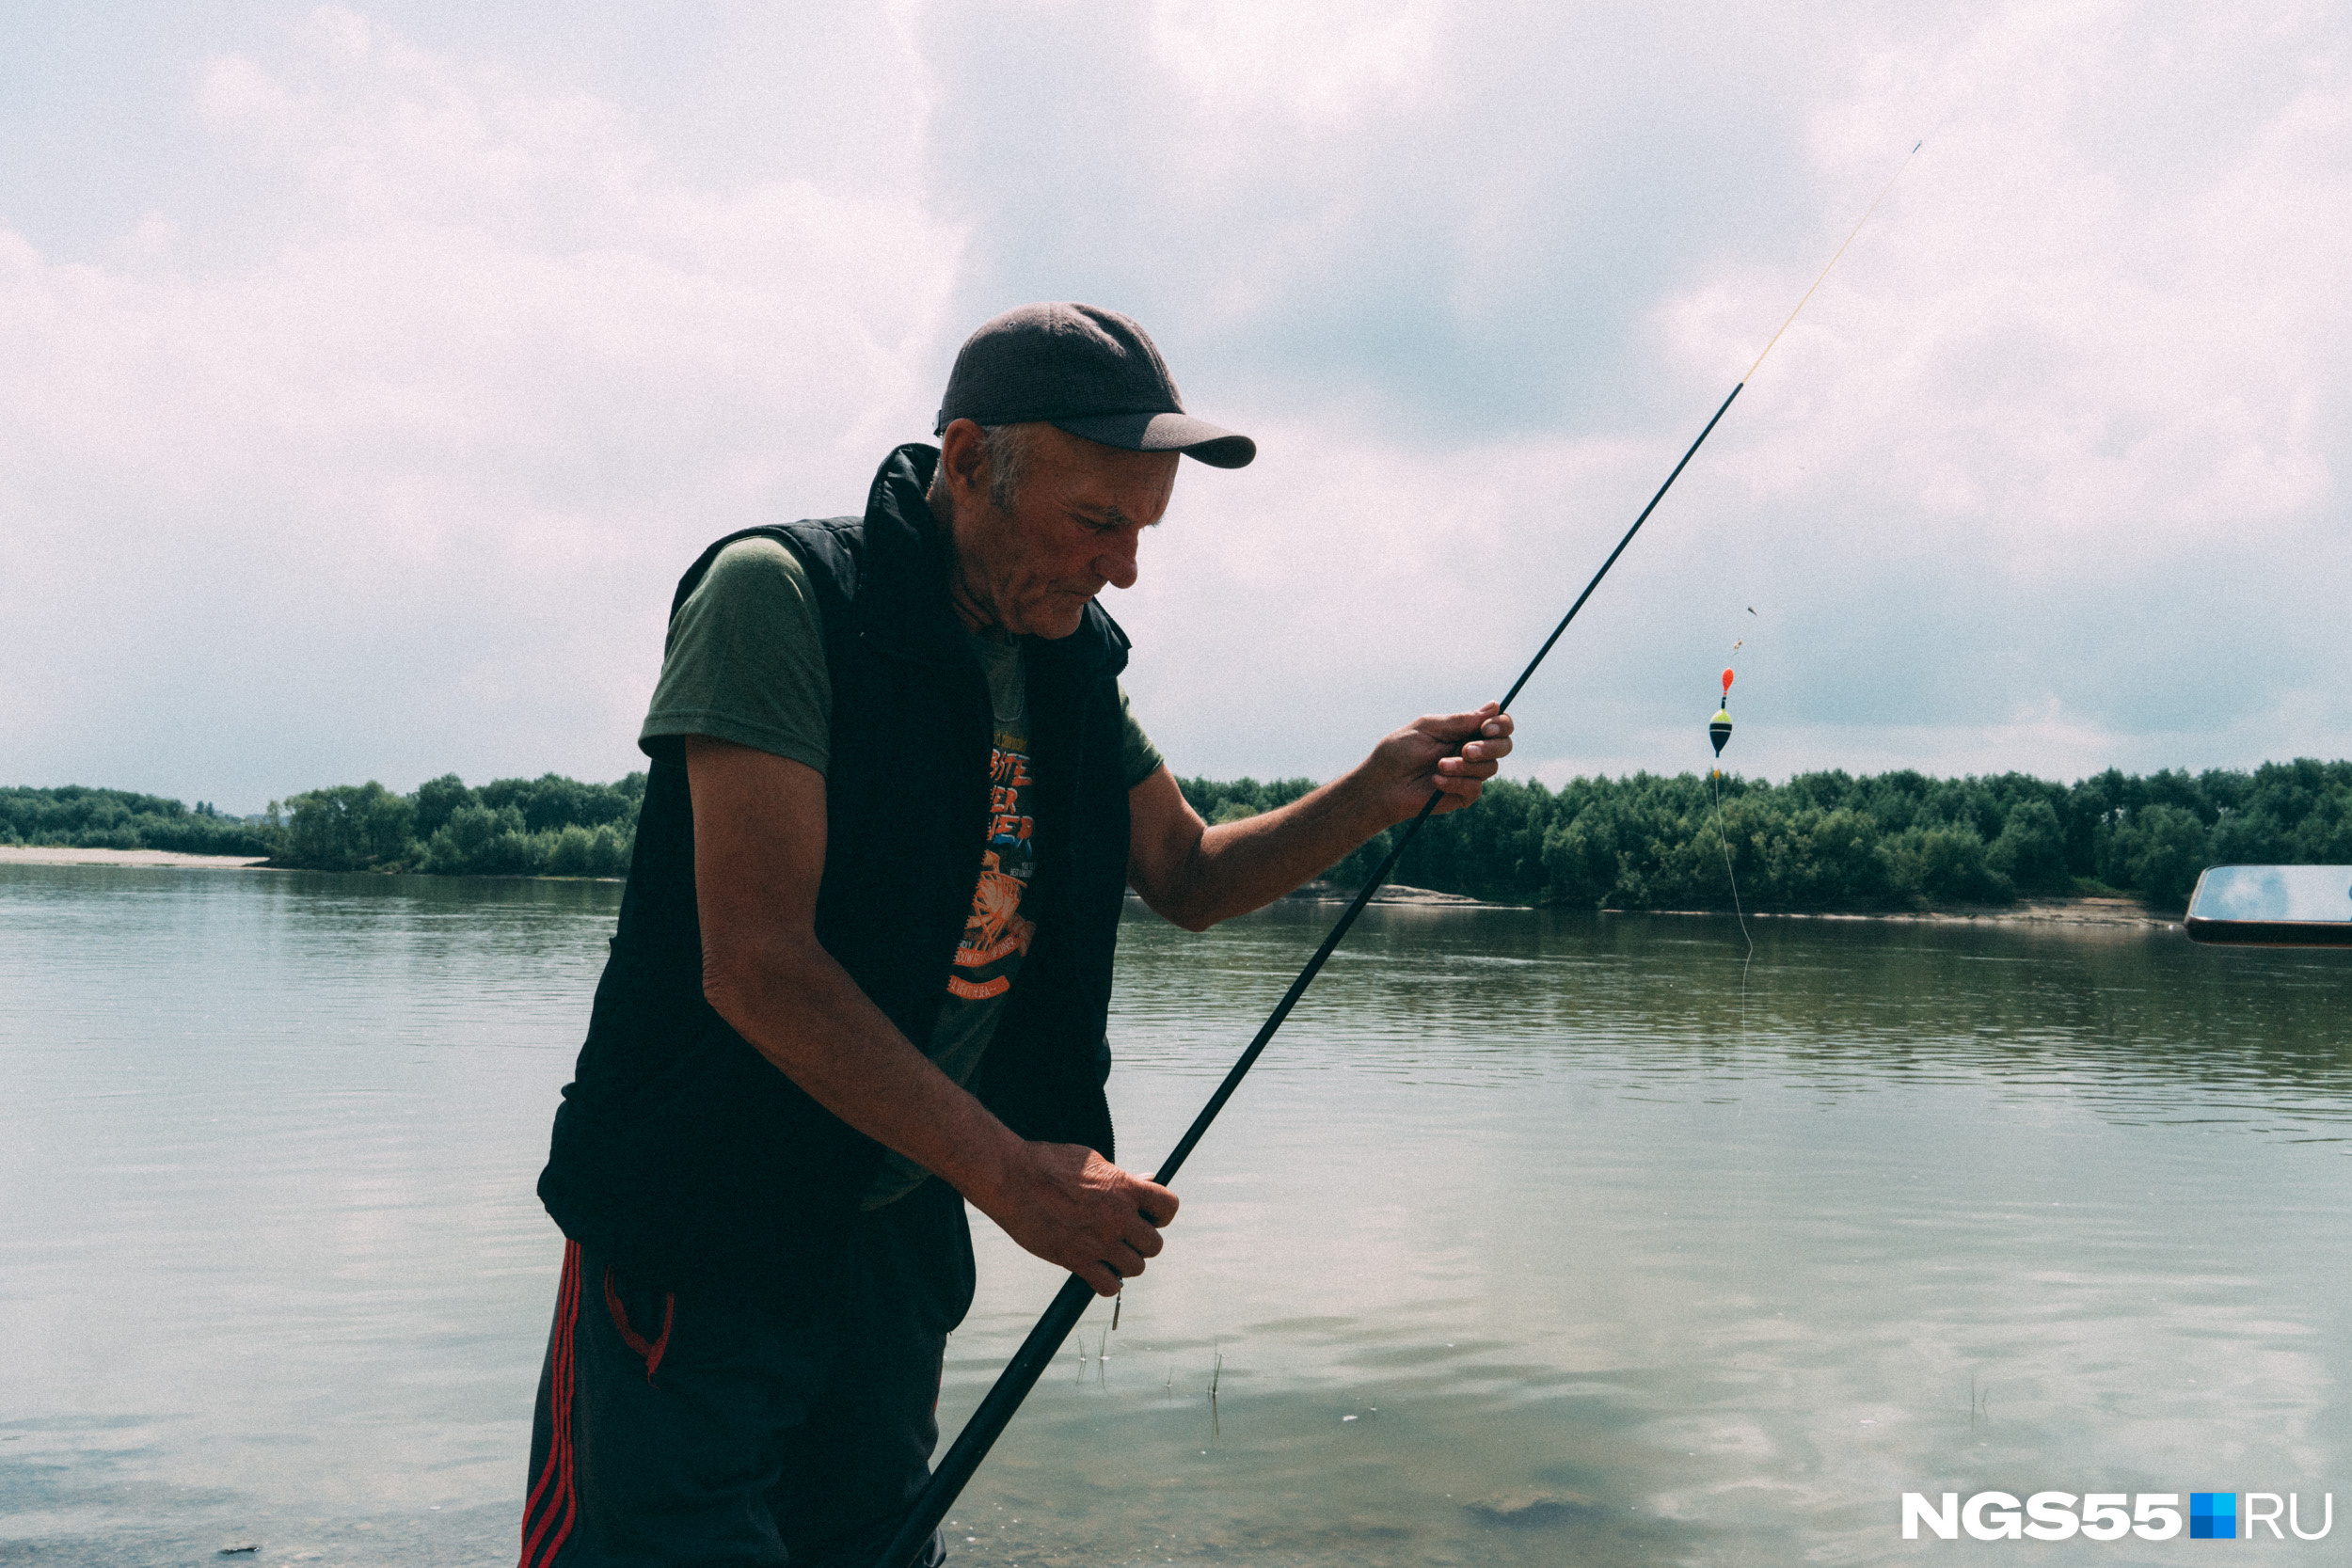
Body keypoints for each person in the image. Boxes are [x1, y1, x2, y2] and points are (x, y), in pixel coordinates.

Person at [519, 303, 1513, 1568]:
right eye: (1099, 522)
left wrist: (1377, 790)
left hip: (887, 1241)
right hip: (700, 1234)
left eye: (1143, 532)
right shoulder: (780, 599)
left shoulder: (1067, 662)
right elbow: (756, 965)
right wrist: (1012, 1174)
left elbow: (1189, 874)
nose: (1126, 568)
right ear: (969, 460)